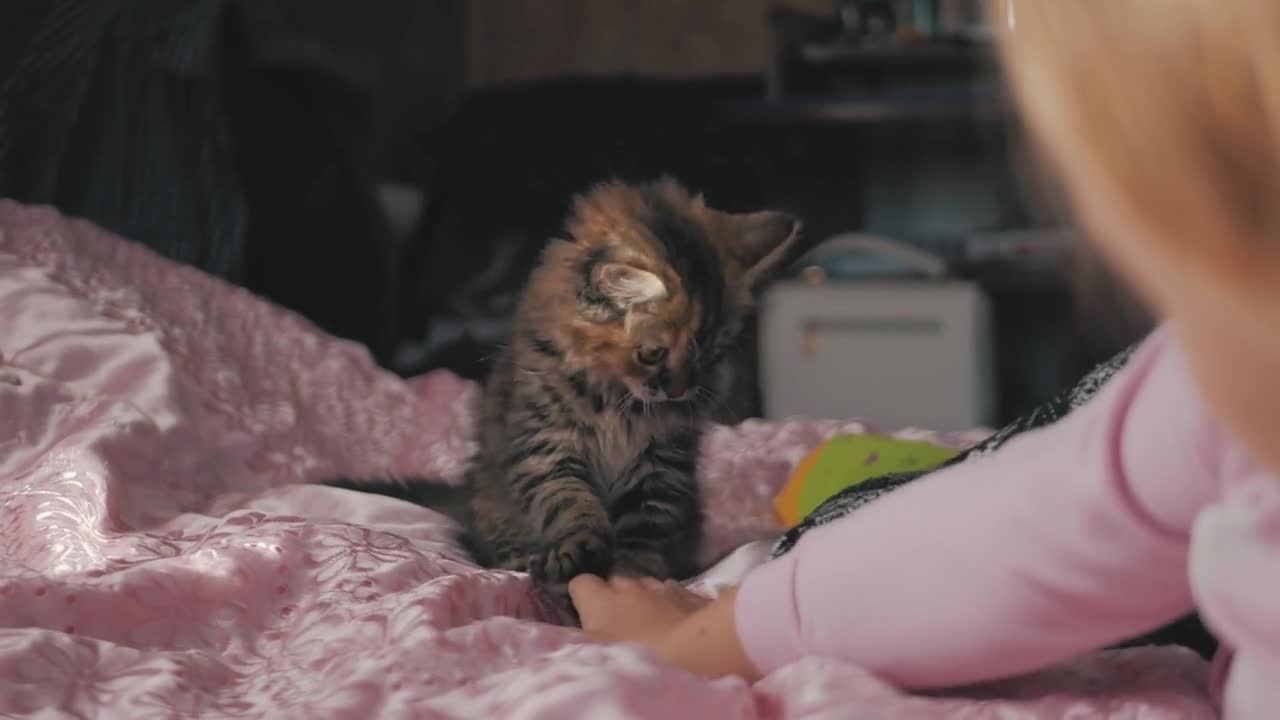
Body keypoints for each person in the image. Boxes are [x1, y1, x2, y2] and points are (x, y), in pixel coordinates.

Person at [568, 2, 1280, 716]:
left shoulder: (1240, 359)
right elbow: (1042, 514)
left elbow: (1029, 529)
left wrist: (696, 640)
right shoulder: (1221, 381)